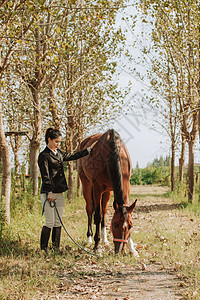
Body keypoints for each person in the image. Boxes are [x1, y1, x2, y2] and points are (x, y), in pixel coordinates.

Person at [38, 128, 92, 254]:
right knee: (49, 222)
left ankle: (55, 248)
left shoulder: (59, 153)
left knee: (58, 221)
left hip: (59, 192)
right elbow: (45, 176)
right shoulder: (43, 156)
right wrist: (49, 192)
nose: (58, 144)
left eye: (60, 142)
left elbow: (73, 156)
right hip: (48, 193)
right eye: (56, 142)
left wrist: (88, 150)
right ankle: (43, 248)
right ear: (49, 140)